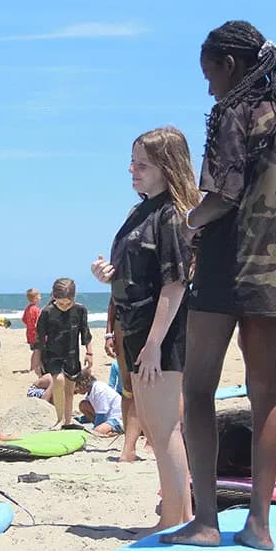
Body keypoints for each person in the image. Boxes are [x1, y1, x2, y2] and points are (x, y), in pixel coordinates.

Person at [163, 22, 276, 550]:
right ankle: (259, 524)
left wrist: (187, 221)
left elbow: (223, 194)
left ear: (229, 65)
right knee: (265, 390)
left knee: (198, 388)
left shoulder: (233, 112)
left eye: (209, 73)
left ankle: (207, 521)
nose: (208, 86)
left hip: (227, 263)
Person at [91, 126, 201, 530]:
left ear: (166, 167)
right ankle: (177, 515)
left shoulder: (171, 214)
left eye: (142, 164)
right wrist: (108, 275)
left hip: (160, 334)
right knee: (156, 427)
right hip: (136, 329)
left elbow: (175, 283)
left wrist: (154, 344)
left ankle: (175, 519)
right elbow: (141, 272)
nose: (132, 170)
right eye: (132, 162)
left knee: (163, 428)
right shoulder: (142, 210)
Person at [31, 278, 93, 429]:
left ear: (74, 298)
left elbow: (85, 333)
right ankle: (59, 419)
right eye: (61, 303)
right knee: (58, 381)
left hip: (72, 355)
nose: (65, 307)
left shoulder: (80, 310)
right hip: (52, 354)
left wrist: (89, 352)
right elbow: (38, 338)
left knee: (70, 391)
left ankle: (67, 421)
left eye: (68, 303)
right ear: (54, 297)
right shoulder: (47, 312)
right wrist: (36, 359)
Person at [103, 302, 142, 461]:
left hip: (149, 319)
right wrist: (108, 333)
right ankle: (129, 444)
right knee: (128, 386)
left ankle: (151, 442)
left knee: (145, 386)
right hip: (123, 321)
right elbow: (115, 297)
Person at [74, 368, 123, 437]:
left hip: (117, 418)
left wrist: (96, 428)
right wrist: (79, 420)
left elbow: (101, 413)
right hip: (107, 416)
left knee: (97, 431)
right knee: (83, 405)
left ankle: (113, 430)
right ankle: (104, 428)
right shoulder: (91, 391)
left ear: (82, 384)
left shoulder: (99, 390)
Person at [20, 289, 42, 372]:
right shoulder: (36, 310)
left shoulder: (28, 308)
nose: (40, 298)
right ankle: (34, 367)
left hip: (29, 334)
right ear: (35, 298)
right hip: (36, 334)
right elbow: (39, 323)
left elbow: (24, 320)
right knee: (38, 351)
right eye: (39, 296)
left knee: (35, 351)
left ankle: (32, 367)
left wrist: (29, 326)